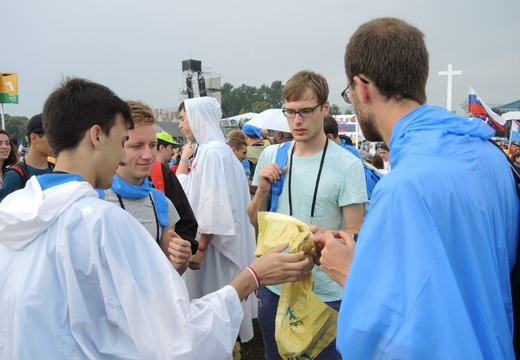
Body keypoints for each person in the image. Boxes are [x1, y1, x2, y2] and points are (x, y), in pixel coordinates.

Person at [0, 77, 310, 359]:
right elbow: (173, 336)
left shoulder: (15, 212)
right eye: (124, 142)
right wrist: (251, 277)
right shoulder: (101, 223)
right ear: (97, 136)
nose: (125, 157)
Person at [313, 17, 519, 359]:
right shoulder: (489, 155)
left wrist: (350, 270)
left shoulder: (402, 189)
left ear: (362, 88)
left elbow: (406, 336)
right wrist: (367, 251)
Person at [247, 70, 367, 359]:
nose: (297, 121)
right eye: (290, 112)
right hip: (275, 285)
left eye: (305, 111)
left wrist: (326, 234)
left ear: (325, 108)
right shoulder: (271, 156)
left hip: (324, 294)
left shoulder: (347, 165)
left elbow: (356, 232)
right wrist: (262, 190)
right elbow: (255, 220)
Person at [176, 97, 259, 346]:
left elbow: (214, 207)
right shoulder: (213, 149)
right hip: (212, 243)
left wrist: (200, 249)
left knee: (215, 307)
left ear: (197, 117)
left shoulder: (213, 152)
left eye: (183, 118)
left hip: (213, 248)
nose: (180, 125)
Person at [101, 101, 182, 263]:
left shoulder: (161, 203)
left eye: (152, 145)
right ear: (116, 145)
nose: (148, 155)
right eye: (137, 146)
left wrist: (181, 260)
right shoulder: (95, 199)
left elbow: (169, 274)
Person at [0, 114, 55, 201]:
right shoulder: (15, 176)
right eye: (52, 137)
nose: (57, 141)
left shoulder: (55, 170)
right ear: (34, 138)